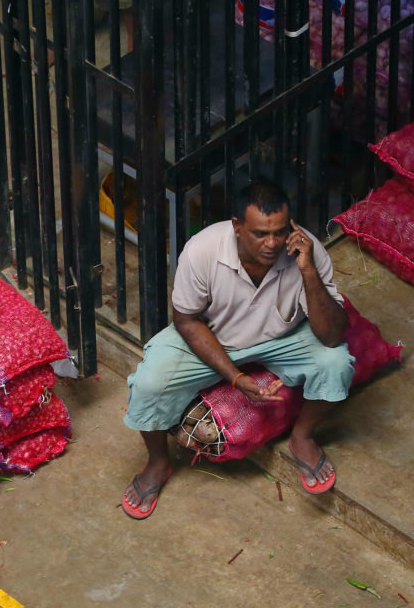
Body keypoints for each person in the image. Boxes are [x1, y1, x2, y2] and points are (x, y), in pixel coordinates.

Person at [121, 178, 355, 519]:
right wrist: (234, 376)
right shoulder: (203, 250)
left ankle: (302, 437)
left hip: (283, 337)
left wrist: (307, 271)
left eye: (279, 232)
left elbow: (333, 334)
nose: (272, 243)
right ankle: (158, 462)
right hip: (217, 336)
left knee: (337, 362)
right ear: (236, 227)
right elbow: (187, 321)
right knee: (148, 383)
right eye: (260, 233)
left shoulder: (308, 251)